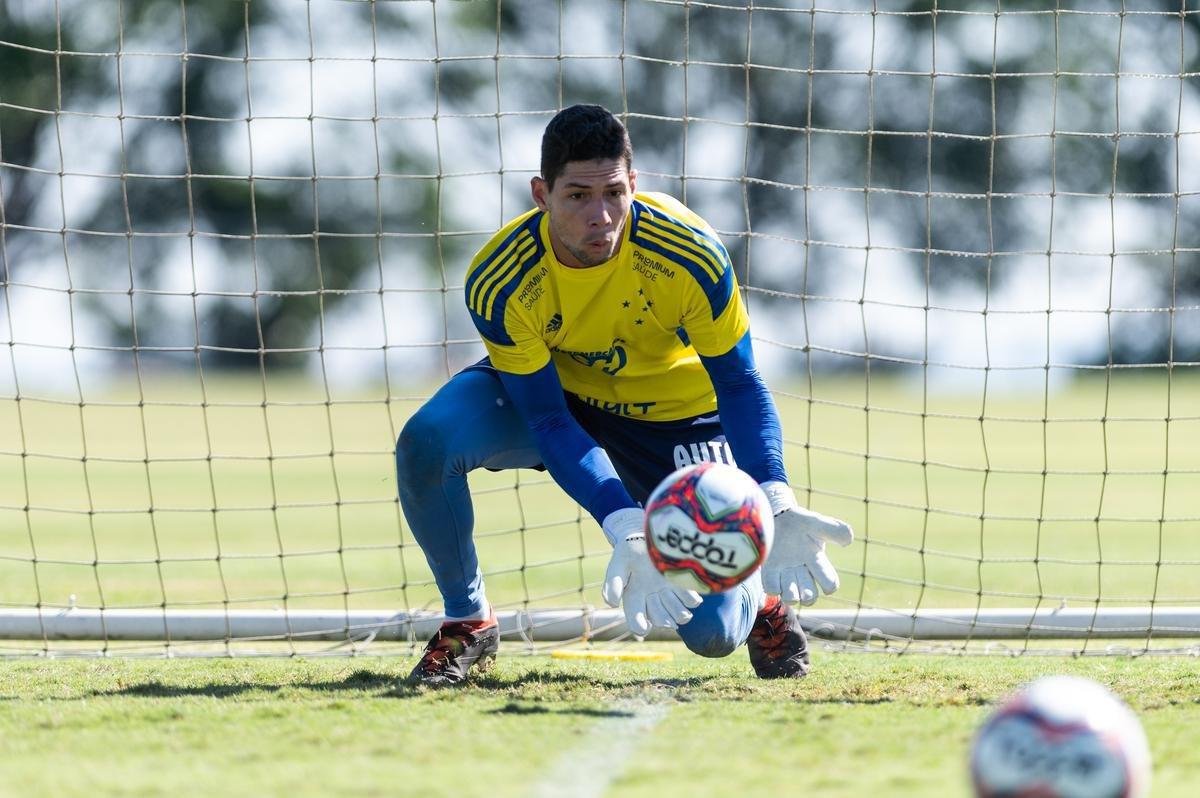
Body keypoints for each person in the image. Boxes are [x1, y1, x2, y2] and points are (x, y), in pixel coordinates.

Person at [396, 104, 853, 687]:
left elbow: (740, 383)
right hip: (563, 401)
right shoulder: (501, 279)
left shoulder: (688, 251)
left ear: (633, 183)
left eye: (614, 193)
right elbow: (547, 419)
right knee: (428, 442)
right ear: (541, 194)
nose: (601, 215)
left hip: (677, 422)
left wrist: (775, 499)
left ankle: (759, 601)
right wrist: (626, 524)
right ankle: (468, 620)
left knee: (712, 633)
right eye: (577, 196)